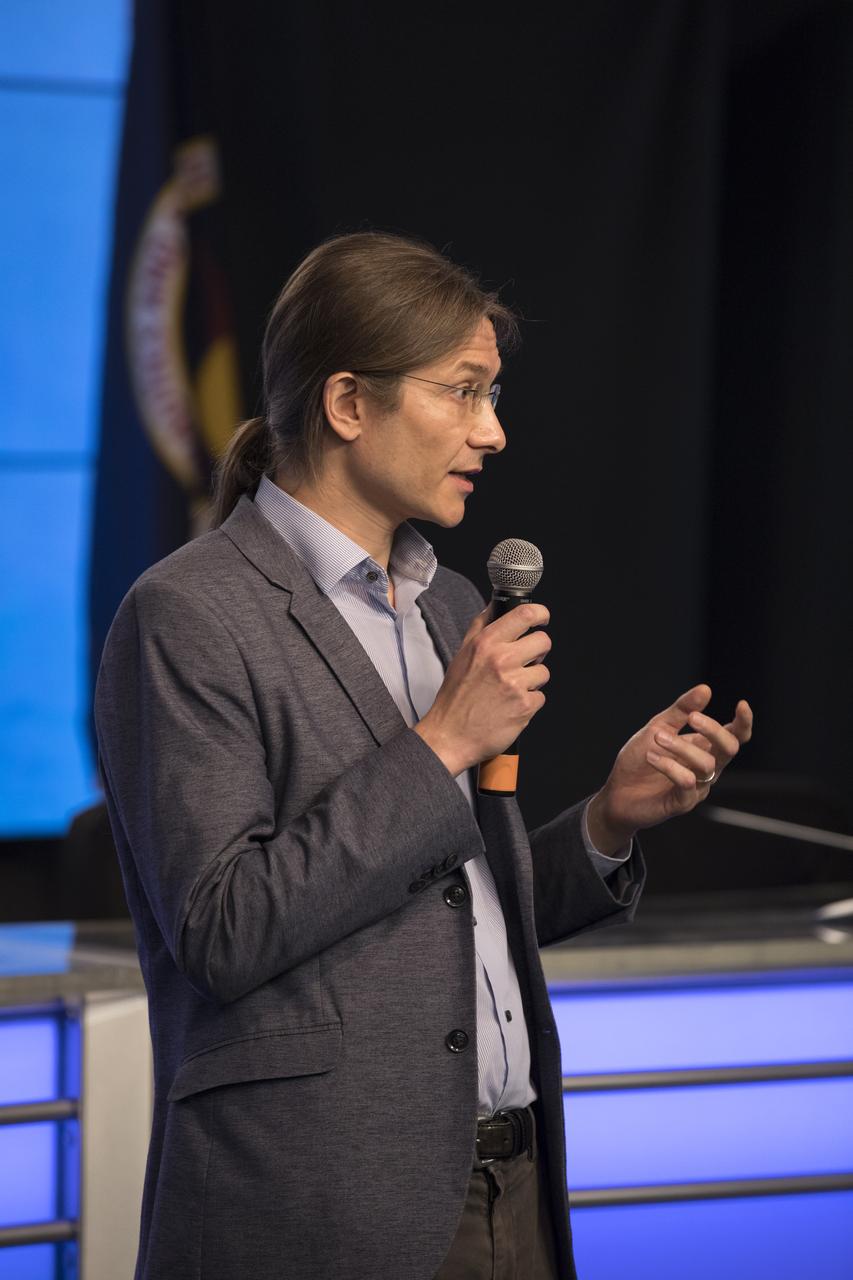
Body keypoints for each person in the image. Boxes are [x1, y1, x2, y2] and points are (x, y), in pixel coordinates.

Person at [94, 231, 753, 1280]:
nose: (493, 431)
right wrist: (441, 739)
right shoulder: (188, 613)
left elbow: (450, 909)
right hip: (315, 1211)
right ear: (348, 403)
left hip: (512, 1188)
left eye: (494, 395)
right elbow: (223, 928)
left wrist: (607, 821)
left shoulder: (449, 602)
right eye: (463, 391)